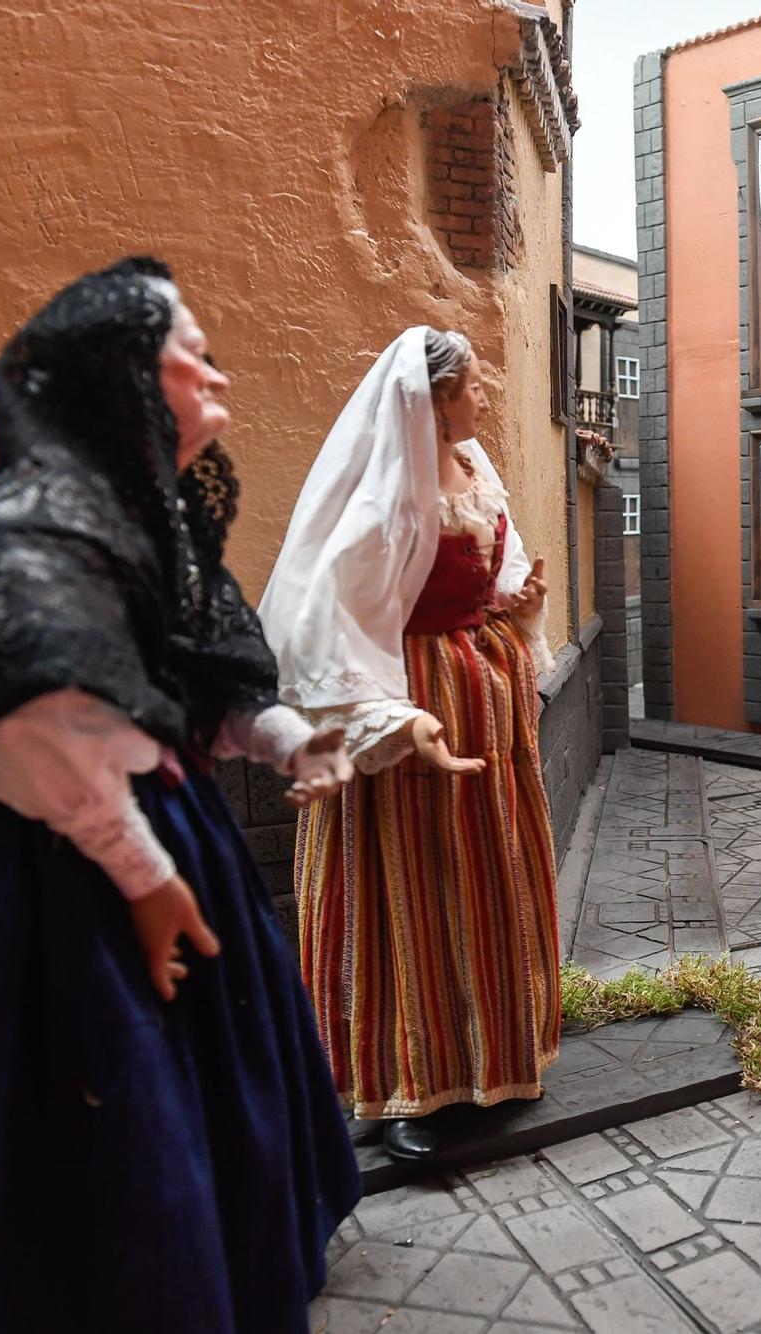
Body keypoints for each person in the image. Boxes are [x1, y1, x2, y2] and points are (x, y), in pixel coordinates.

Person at [0, 258, 361, 1332]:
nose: (213, 366)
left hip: (149, 820)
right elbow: (28, 724)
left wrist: (283, 736)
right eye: (186, 350)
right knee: (76, 1125)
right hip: (34, 858)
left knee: (200, 1084)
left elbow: (203, 675)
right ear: (122, 380)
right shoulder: (38, 522)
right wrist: (143, 875)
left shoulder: (156, 520)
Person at [261, 327, 560, 1163]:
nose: (484, 400)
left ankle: (492, 1057)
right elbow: (330, 618)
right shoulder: (385, 496)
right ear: (430, 401)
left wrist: (518, 602)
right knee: (412, 882)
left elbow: (490, 577)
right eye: (470, 388)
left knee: (489, 871)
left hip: (486, 701)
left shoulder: (475, 471)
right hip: (415, 699)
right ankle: (403, 1086)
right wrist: (395, 721)